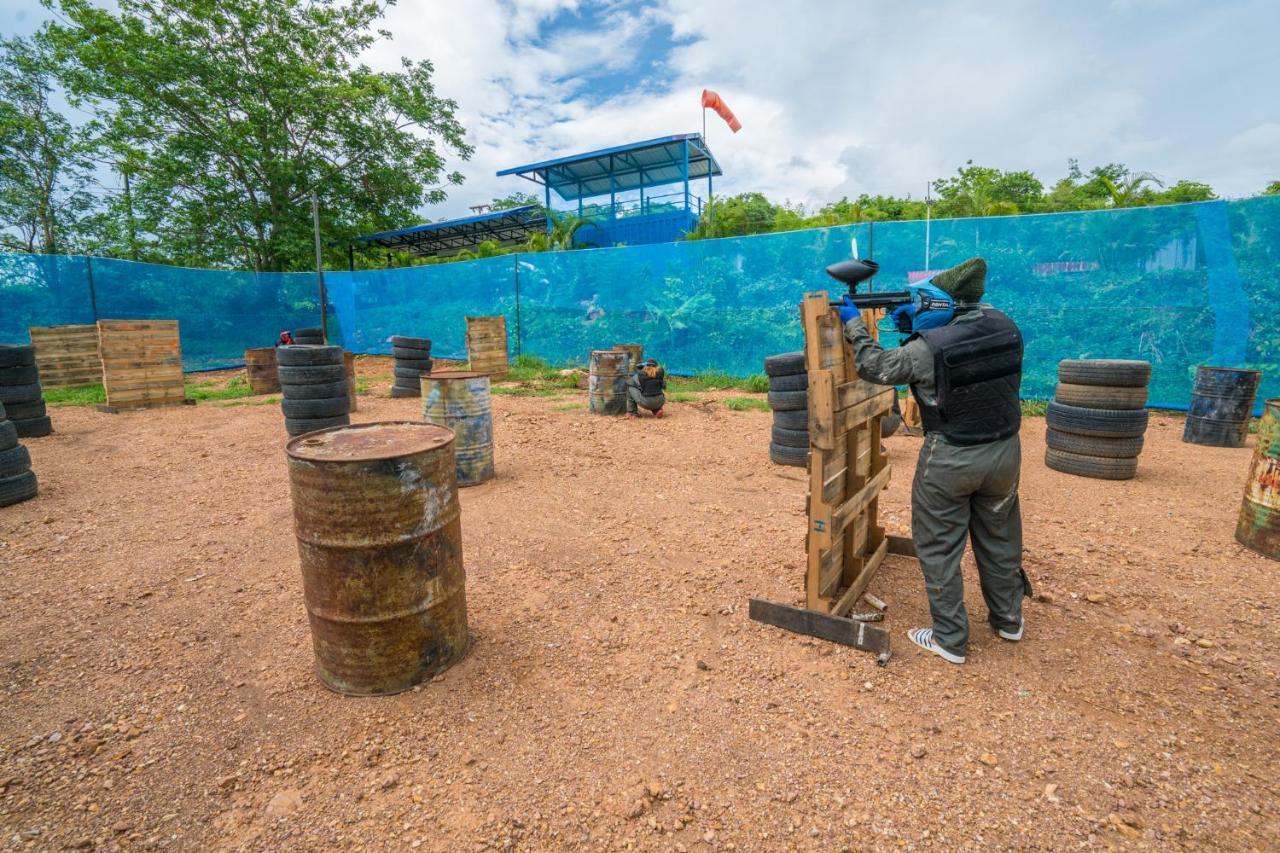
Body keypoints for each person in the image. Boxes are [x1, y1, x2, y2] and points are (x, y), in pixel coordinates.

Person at [837, 257, 1031, 664]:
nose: (918, 308)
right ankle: (1009, 620)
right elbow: (960, 332)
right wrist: (915, 321)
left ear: (942, 305)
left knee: (939, 546)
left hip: (951, 457)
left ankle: (950, 639)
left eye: (923, 303)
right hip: (1005, 453)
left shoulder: (930, 349)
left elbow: (876, 366)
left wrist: (855, 324)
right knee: (1000, 538)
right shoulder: (1004, 324)